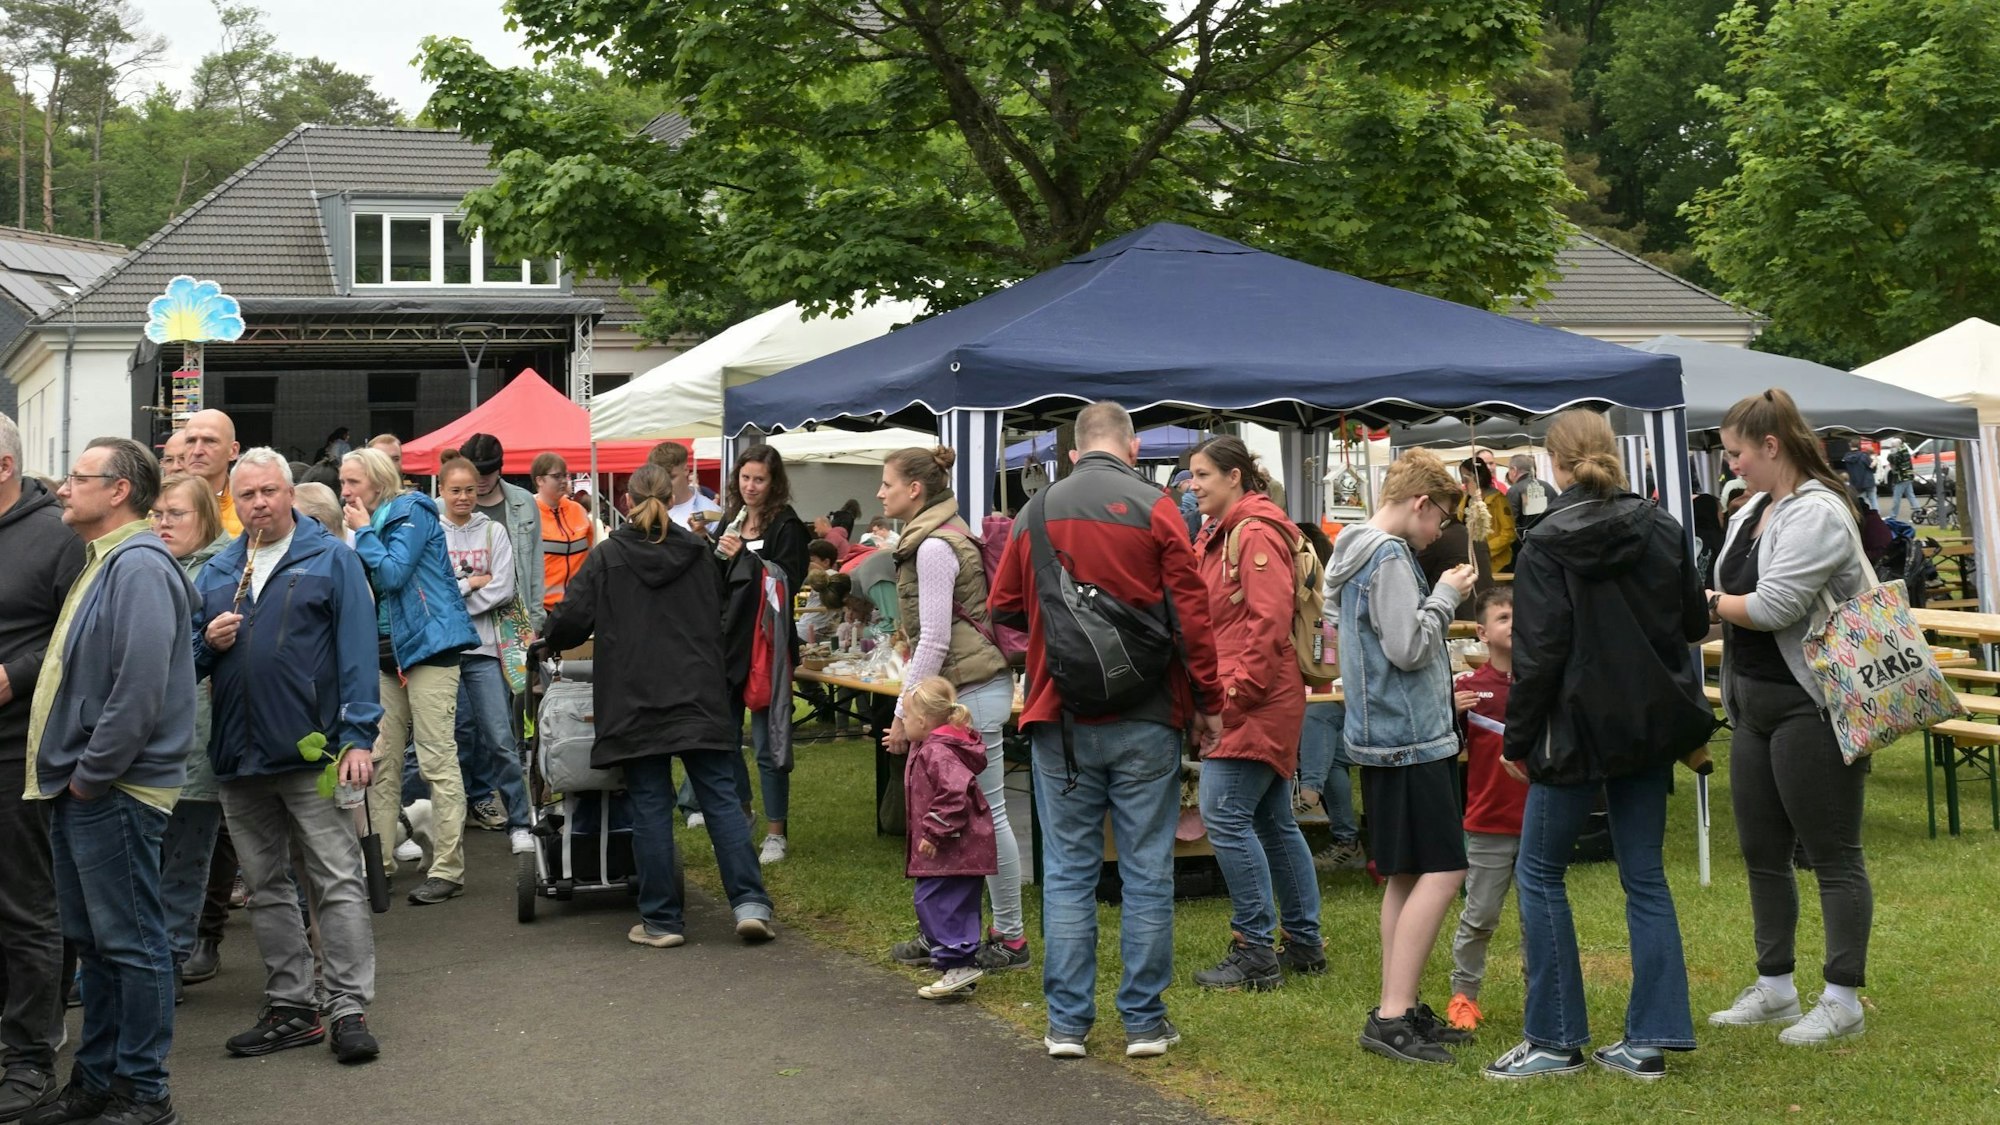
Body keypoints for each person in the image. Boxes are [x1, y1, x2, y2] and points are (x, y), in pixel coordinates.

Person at [989, 401, 1221, 1062]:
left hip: (1058, 715)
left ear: (1070, 454)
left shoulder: (1036, 511)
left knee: (1067, 871)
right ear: (1132, 445)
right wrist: (1207, 700)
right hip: (1147, 714)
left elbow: (1005, 607)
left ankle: (1067, 1023)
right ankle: (1145, 1021)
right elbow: (1191, 615)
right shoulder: (1156, 506)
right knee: (1147, 869)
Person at [1484, 408, 1710, 1081]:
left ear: (1554, 463)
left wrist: (1516, 738)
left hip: (1574, 728)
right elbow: (1692, 622)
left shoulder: (1546, 540)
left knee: (1540, 872)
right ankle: (1651, 1036)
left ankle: (1555, 1039)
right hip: (1644, 723)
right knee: (1644, 875)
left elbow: (1540, 652)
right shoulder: (1663, 527)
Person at [193, 449, 382, 1065]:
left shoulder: (332, 558)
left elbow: (358, 651)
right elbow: (188, 662)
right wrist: (206, 642)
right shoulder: (220, 569)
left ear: (290, 493)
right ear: (235, 500)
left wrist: (358, 736)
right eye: (247, 496)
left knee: (335, 879)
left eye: (270, 492)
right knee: (266, 885)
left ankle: (348, 1006)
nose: (259, 504)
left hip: (313, 750)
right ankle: (292, 1007)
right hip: (239, 756)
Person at [26, 437, 194, 1125]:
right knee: (97, 945)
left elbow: (139, 689)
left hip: (113, 788)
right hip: (88, 786)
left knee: (132, 943)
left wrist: (91, 776)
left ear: (119, 489)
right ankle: (97, 1082)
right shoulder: (111, 562)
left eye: (79, 477)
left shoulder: (140, 566)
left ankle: (143, 1091)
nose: (65, 488)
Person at [1704, 388, 1877, 1046]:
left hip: (1814, 704)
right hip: (1753, 702)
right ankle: (1775, 986)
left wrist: (1707, 602)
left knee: (1832, 854)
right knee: (1761, 851)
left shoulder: (1821, 513)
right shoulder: (1753, 508)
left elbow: (1774, 606)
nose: (1732, 466)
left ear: (1771, 446)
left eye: (1738, 453)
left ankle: (1842, 997)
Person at [540, 464, 776, 947]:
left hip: (635, 697)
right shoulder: (701, 553)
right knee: (721, 800)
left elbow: (570, 620)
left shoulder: (608, 557)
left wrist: (543, 639)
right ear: (672, 499)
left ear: (626, 502)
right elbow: (726, 611)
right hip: (699, 691)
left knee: (650, 805)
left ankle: (662, 922)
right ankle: (750, 904)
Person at [1323, 448, 1476, 1066]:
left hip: (1386, 735)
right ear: (1420, 503)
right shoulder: (1387, 556)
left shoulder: (1353, 549)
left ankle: (1400, 1004)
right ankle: (1391, 1015)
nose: (1441, 531)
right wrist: (1443, 597)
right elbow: (1408, 647)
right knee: (1445, 870)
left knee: (1406, 872)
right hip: (1408, 740)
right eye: (1441, 517)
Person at [878, 446, 1028, 974]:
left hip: (969, 693)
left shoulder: (934, 547)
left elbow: (937, 638)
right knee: (960, 820)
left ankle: (1008, 938)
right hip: (969, 689)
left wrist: (904, 712)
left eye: (888, 483)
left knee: (985, 819)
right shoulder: (942, 535)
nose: (880, 493)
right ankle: (948, 933)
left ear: (915, 489)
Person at [1182, 437, 1320, 992]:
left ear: (1235, 476)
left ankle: (1256, 950)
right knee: (1271, 820)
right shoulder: (1226, 531)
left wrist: (1231, 699)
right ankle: (1304, 944)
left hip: (1254, 697)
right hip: (1258, 692)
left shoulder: (1254, 531)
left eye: (1202, 475)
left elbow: (1267, 623)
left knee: (1225, 816)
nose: (1193, 486)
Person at [344, 447, 480, 907]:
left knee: (436, 761)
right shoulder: (373, 520)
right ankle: (377, 865)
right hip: (388, 654)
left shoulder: (411, 510)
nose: (345, 492)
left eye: (353, 482)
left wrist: (363, 532)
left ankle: (448, 869)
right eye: (342, 483)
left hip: (429, 647)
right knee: (381, 764)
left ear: (377, 482)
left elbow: (394, 575)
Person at [0, 413, 83, 1119]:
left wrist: (14, 673)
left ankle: (29, 1056)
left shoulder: (55, 536)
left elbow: (77, 633)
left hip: (16, 752)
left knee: (26, 906)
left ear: (2, 465)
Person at [148, 475, 230, 1004]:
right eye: (156, 514)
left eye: (175, 514)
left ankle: (170, 962)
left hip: (200, 737)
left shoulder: (223, 570)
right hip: (142, 741)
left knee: (186, 859)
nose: (163, 524)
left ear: (204, 517)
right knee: (142, 859)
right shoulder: (144, 564)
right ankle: (136, 963)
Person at [715, 445, 809, 865]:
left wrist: (745, 560)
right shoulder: (731, 521)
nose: (750, 487)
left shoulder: (787, 526)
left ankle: (777, 831)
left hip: (767, 645)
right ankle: (743, 812)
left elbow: (786, 581)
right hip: (730, 643)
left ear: (775, 484)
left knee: (767, 742)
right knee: (724, 737)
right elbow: (716, 577)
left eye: (760, 480)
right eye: (745, 478)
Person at [437, 455, 535, 856]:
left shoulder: (494, 532)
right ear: (441, 491)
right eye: (454, 490)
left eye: (469, 489)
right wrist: (470, 585)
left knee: (500, 737)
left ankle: (521, 821)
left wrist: (456, 596)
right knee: (448, 738)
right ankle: (436, 819)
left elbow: (504, 590)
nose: (463, 497)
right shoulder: (432, 533)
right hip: (443, 652)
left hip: (485, 650)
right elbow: (434, 590)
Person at [1446, 587, 1526, 1034]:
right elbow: (1445, 750)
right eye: (1503, 617)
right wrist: (1449, 713)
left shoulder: (1546, 682)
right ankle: (1464, 996)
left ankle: (1544, 998)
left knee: (1538, 920)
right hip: (1488, 823)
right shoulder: (1468, 691)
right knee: (1479, 916)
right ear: (1481, 632)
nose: (1513, 623)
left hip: (1539, 821)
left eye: (1520, 615)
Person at [893, 677, 1000, 1000]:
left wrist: (935, 831)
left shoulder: (937, 751)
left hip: (952, 846)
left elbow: (954, 794)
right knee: (954, 901)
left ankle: (959, 963)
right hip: (961, 847)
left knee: (935, 901)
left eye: (907, 717)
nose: (904, 723)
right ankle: (957, 965)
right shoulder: (936, 746)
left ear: (923, 722)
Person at [455, 434, 545, 632]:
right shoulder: (444, 508)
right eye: (475, 472)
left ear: (500, 469)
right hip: (462, 621)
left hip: (513, 622)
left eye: (488, 473)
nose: (481, 479)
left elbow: (536, 567)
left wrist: (537, 622)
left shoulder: (524, 503)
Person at [531, 452, 595, 611]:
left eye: (565, 475)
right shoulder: (529, 514)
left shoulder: (578, 510)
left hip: (578, 604)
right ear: (540, 480)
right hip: (544, 608)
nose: (563, 481)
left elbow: (590, 552)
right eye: (557, 476)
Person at [1416, 509, 1493, 623]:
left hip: (1453, 618)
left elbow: (1416, 576)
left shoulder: (1440, 538)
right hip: (1484, 615)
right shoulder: (1476, 537)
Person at [180, 409, 242, 536]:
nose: (197, 451)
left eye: (209, 441)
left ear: (233, 451)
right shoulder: (160, 507)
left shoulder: (248, 509)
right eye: (191, 441)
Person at [648, 441, 722, 536]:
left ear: (686, 470)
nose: (664, 484)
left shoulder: (710, 511)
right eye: (658, 478)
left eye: (671, 477)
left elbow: (717, 549)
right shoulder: (645, 508)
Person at [1459, 458, 1516, 573]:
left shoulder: (1498, 499)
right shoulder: (1466, 499)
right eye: (1462, 477)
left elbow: (1509, 533)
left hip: (1496, 564)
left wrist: (1485, 550)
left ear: (1478, 477)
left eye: (1466, 478)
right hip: (1471, 561)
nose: (1463, 482)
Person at [1506, 454, 1550, 539]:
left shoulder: (1514, 491)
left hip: (1526, 544)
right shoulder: (1547, 487)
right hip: (1549, 540)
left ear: (1514, 470)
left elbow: (1510, 523)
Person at [1692, 493, 1726, 588]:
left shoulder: (1688, 536)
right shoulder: (1721, 540)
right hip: (1714, 596)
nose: (1723, 514)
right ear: (1712, 513)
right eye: (1720, 511)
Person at [1882, 437, 1917, 523]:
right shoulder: (1904, 450)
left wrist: (1891, 454)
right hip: (1907, 476)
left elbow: (1892, 459)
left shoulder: (1900, 452)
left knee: (1896, 497)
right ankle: (1918, 512)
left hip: (1902, 477)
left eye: (1893, 445)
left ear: (1898, 445)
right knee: (1910, 495)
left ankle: (1893, 516)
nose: (1892, 447)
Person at [1842, 444, 1877, 513]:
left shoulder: (1846, 457)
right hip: (1869, 481)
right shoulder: (1864, 455)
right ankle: (1876, 515)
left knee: (1862, 500)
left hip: (1857, 483)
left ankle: (1865, 514)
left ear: (1850, 446)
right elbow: (1871, 467)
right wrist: (1875, 462)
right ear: (1859, 446)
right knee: (1873, 499)